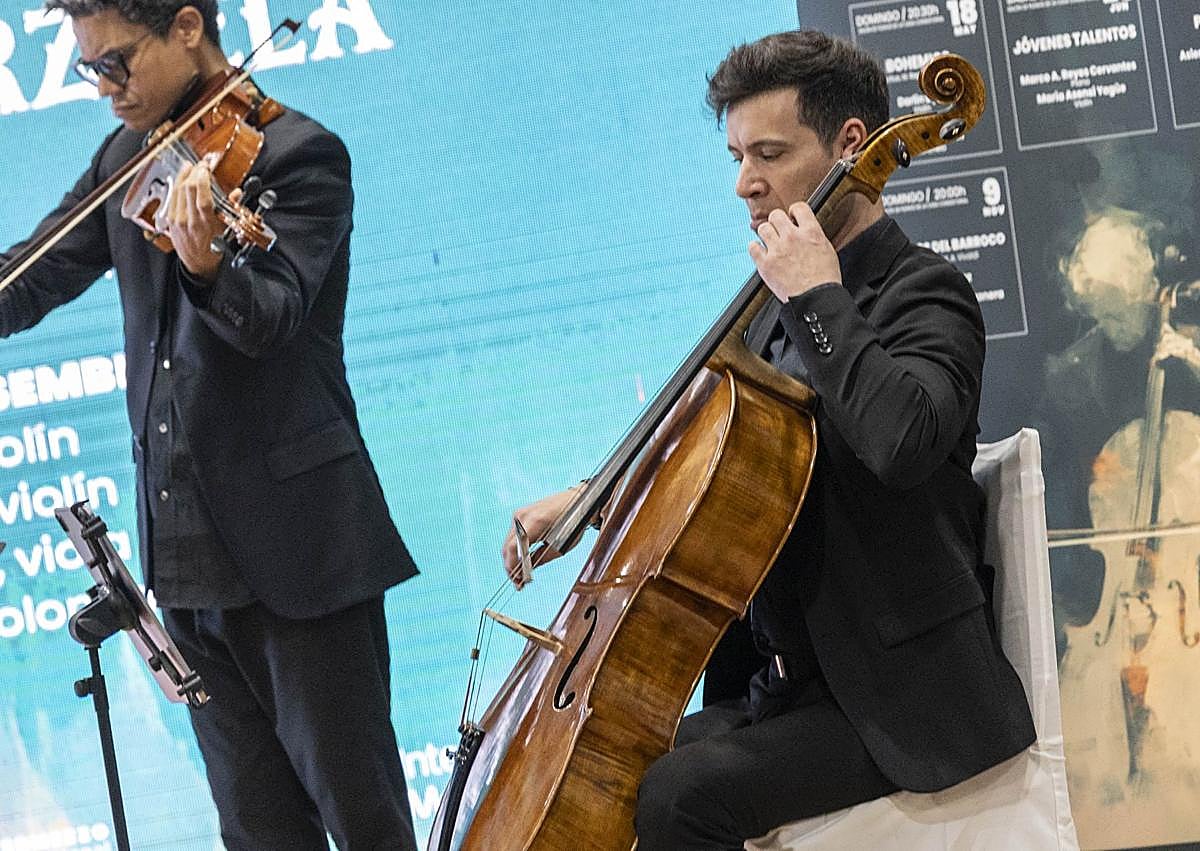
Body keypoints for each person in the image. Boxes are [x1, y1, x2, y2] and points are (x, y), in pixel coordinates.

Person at [502, 30, 1035, 849]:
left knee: (682, 798)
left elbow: (903, 441)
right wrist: (590, 498)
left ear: (850, 145)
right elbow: (711, 456)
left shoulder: (925, 292)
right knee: (610, 761)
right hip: (789, 685)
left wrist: (820, 292)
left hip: (898, 695)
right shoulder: (775, 315)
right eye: (736, 155)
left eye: (770, 154)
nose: (745, 184)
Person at [0, 2, 419, 848]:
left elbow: (273, 317)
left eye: (117, 63)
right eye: (90, 69)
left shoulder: (300, 156)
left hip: (301, 552)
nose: (104, 89)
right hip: (185, 562)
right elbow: (29, 277)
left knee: (362, 816)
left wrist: (206, 262)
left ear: (188, 27)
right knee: (257, 831)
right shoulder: (127, 157)